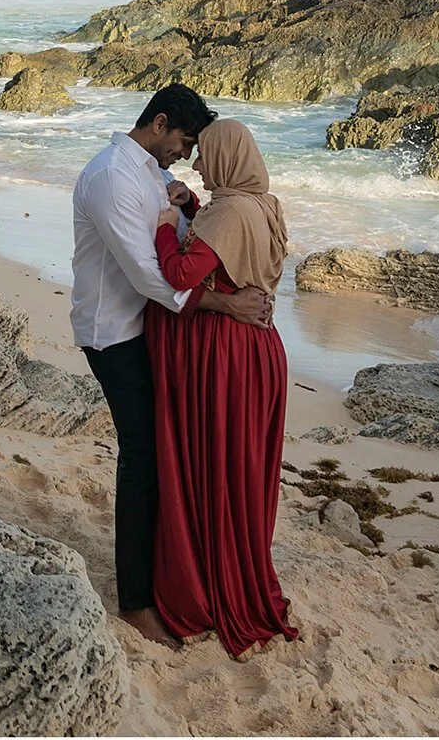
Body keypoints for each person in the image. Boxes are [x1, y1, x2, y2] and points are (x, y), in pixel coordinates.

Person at [71, 85, 272, 650]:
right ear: (159, 124)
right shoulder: (112, 176)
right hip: (115, 332)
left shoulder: (150, 173)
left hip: (154, 331)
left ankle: (170, 581)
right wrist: (227, 304)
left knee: (169, 453)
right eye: (183, 143)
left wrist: (186, 207)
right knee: (144, 458)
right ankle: (135, 602)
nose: (186, 158)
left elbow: (187, 243)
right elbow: (147, 275)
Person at [147, 117, 301, 658]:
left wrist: (168, 224)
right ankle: (233, 572)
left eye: (206, 153)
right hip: (259, 350)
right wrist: (192, 208)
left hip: (226, 354)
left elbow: (184, 274)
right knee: (238, 472)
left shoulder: (231, 212)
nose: (199, 164)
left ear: (229, 157)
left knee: (216, 467)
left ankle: (211, 590)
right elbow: (233, 259)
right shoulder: (263, 204)